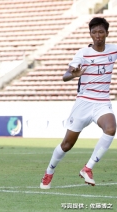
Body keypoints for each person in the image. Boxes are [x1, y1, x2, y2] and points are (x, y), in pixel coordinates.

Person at [40, 17, 117, 189]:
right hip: (84, 103)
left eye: (101, 32)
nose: (98, 35)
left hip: (102, 102)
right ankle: (49, 172)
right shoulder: (82, 53)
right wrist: (74, 75)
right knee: (67, 144)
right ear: (90, 34)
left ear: (107, 33)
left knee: (111, 127)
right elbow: (65, 76)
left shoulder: (113, 50)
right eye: (94, 32)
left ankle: (88, 168)